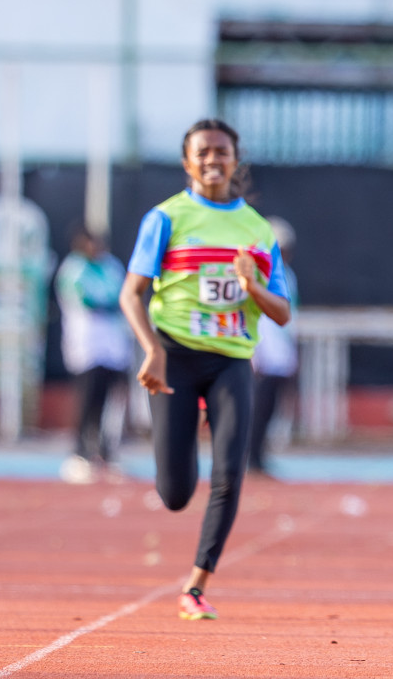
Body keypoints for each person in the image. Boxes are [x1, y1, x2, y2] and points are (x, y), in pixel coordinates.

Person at [118, 118, 290, 621]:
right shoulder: (165, 218)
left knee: (230, 472)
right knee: (174, 494)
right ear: (187, 161)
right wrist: (152, 348)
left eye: (222, 152)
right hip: (174, 355)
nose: (213, 160)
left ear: (236, 161)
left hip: (232, 360)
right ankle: (183, 427)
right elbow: (132, 294)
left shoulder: (258, 229)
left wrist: (252, 285)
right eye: (203, 152)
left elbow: (281, 313)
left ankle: (196, 584)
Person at [55, 224, 133, 483]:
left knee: (112, 401)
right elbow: (85, 300)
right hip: (87, 345)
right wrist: (109, 303)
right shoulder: (73, 269)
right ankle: (80, 452)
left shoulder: (112, 266)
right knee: (88, 400)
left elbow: (123, 295)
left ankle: (107, 453)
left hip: (114, 345)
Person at [248, 215, 298, 477]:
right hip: (265, 351)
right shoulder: (259, 274)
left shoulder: (287, 274)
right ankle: (251, 457)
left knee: (271, 408)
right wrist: (256, 352)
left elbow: (290, 318)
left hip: (281, 352)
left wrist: (292, 352)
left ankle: (260, 455)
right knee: (258, 406)